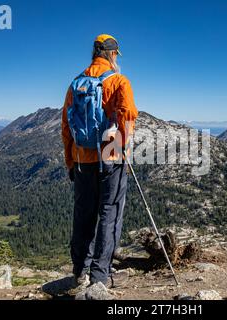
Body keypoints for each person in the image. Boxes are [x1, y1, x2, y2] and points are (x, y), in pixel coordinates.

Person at [61, 34, 138, 287]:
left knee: (84, 213)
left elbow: (66, 127)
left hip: (82, 157)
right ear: (111, 54)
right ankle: (100, 276)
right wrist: (123, 148)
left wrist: (70, 161)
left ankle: (79, 270)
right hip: (111, 154)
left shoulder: (75, 85)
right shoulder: (118, 81)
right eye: (116, 55)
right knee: (109, 212)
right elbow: (128, 117)